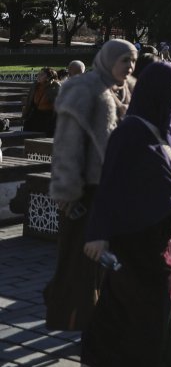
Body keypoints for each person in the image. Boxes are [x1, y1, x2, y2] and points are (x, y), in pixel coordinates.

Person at [79, 61, 171, 367]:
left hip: (158, 232)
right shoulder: (129, 133)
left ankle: (104, 359)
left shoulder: (164, 129)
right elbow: (109, 185)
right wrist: (97, 235)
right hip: (135, 234)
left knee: (122, 298)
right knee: (165, 293)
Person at [45, 39, 136, 332]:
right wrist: (67, 191)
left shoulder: (125, 90)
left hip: (114, 189)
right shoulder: (84, 89)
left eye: (132, 61)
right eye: (124, 60)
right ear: (108, 59)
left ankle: (99, 317)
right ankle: (76, 318)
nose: (130, 67)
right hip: (85, 190)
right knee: (79, 262)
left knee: (104, 263)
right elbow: (67, 145)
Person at [22, 67, 60, 135]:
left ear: (49, 77)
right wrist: (25, 115)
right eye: (39, 74)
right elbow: (29, 102)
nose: (38, 76)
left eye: (42, 74)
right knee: (27, 129)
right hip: (36, 115)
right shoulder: (35, 86)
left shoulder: (55, 86)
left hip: (48, 117)